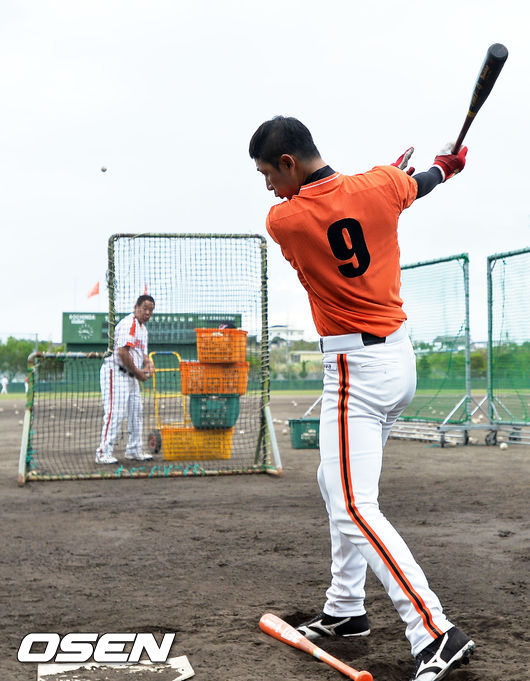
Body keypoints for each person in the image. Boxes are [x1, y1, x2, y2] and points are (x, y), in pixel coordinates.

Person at [249, 116, 474, 681]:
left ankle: (434, 632)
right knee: (336, 482)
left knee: (353, 505)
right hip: (398, 361)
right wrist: (443, 166)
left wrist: (385, 184)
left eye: (269, 174)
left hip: (356, 371)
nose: (270, 188)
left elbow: (331, 208)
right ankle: (346, 608)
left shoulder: (283, 220)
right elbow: (421, 182)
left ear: (289, 163)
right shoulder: (382, 185)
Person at [95, 295, 156, 464]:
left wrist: (149, 363)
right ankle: (103, 453)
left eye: (151, 310)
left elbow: (143, 354)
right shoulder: (129, 324)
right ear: (136, 307)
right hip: (116, 372)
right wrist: (138, 373)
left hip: (131, 375)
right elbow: (122, 352)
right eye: (145, 308)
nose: (148, 313)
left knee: (136, 412)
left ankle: (134, 450)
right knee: (115, 412)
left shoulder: (143, 329)